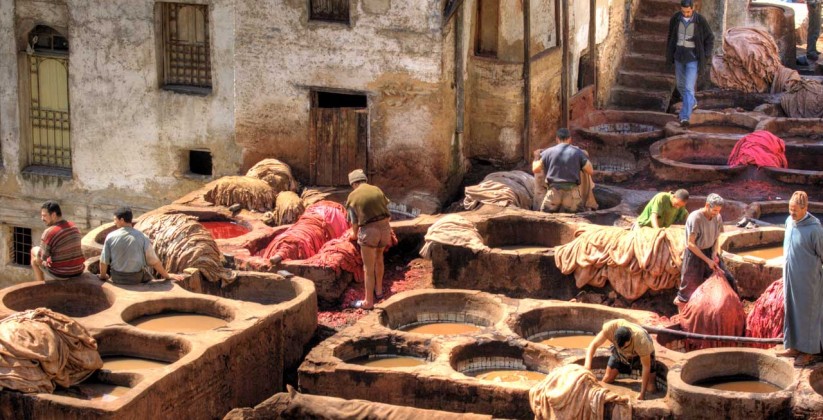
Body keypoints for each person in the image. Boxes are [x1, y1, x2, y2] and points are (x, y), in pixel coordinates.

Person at [776, 191, 823, 359]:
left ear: (805, 208)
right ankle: (793, 346)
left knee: (807, 315)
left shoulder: (815, 229)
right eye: (790, 209)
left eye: (795, 210)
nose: (792, 213)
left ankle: (809, 351)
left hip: (808, 282)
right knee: (791, 311)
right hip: (790, 277)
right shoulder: (789, 222)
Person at [675, 193, 737, 307]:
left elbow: (716, 237)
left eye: (719, 210)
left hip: (710, 251)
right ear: (707, 205)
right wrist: (707, 261)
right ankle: (683, 312)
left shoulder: (717, 217)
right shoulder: (695, 218)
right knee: (689, 289)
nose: (716, 213)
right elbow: (690, 244)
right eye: (714, 210)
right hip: (694, 254)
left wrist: (714, 253)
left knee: (728, 279)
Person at [345, 169, 392, 310]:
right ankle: (379, 291)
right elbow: (387, 210)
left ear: (354, 184)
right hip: (385, 230)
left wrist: (354, 235)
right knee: (379, 258)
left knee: (368, 268)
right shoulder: (376, 189)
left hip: (370, 233)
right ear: (364, 180)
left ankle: (368, 302)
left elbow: (354, 223)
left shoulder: (353, 196)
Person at [98, 207, 183, 284]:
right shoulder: (142, 237)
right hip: (136, 278)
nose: (114, 222)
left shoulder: (110, 236)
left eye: (115, 219)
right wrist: (167, 276)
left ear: (122, 220)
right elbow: (154, 261)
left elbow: (103, 261)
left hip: (117, 278)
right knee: (148, 273)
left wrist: (103, 276)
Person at [665, 0, 714, 127]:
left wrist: (706, 55)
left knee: (688, 87)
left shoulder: (700, 20)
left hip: (693, 59)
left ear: (693, 9)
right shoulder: (675, 19)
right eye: (683, 11)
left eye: (688, 12)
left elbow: (710, 38)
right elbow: (671, 36)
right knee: (680, 85)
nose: (685, 14)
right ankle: (692, 102)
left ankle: (684, 117)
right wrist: (670, 53)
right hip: (679, 58)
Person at [584, 319, 656, 400]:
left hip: (642, 355)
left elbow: (646, 367)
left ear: (630, 339)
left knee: (651, 389)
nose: (623, 348)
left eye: (625, 346)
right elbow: (593, 345)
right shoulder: (611, 327)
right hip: (620, 354)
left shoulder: (641, 341)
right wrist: (587, 368)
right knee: (606, 380)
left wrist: (642, 394)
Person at [531, 128, 594, 213]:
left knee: (544, 217)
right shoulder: (578, 152)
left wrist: (536, 158)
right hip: (572, 195)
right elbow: (590, 171)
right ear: (570, 139)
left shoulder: (547, 152)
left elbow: (535, 169)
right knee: (580, 217)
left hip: (553, 194)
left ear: (557, 139)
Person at [30, 201, 85, 281]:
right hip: (78, 270)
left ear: (53, 215)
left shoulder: (49, 232)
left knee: (33, 254)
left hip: (61, 274)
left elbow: (40, 260)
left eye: (44, 216)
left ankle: (40, 285)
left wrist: (39, 259)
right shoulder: (74, 226)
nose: (42, 219)